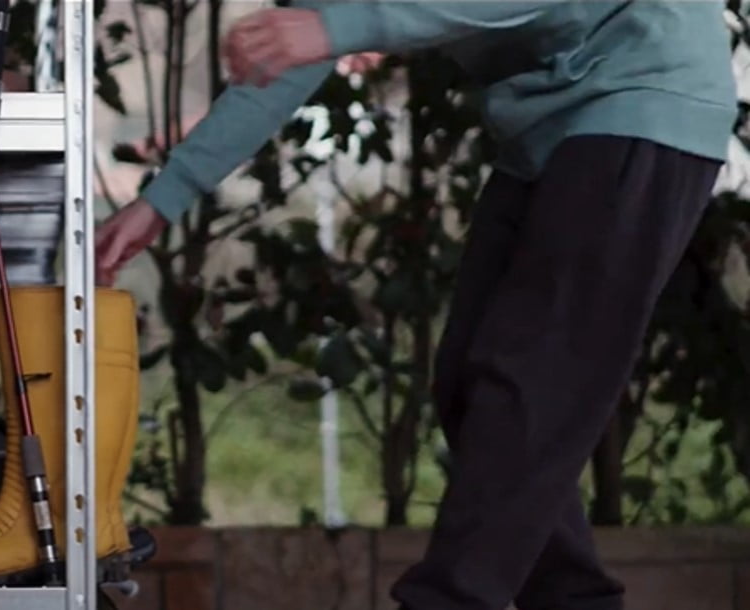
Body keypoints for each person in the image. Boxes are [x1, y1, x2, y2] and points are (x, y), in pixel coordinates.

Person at [94, 2, 737, 609]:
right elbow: (301, 42)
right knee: (468, 387)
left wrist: (341, 27)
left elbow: (327, 28)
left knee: (529, 381)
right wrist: (163, 199)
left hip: (645, 96)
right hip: (552, 131)